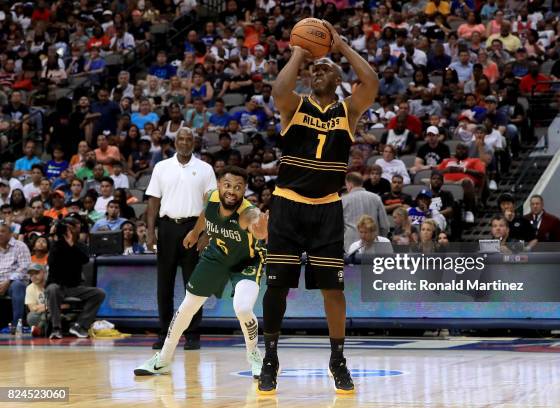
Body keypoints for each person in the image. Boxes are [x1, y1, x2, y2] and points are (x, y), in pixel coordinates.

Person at [258, 20, 378, 395]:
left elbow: (371, 82)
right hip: (288, 206)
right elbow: (279, 90)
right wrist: (299, 50)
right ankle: (270, 356)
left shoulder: (348, 111)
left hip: (327, 209)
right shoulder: (294, 106)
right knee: (277, 288)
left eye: (325, 68)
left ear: (339, 78)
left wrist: (340, 48)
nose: (318, 72)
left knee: (333, 291)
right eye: (315, 70)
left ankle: (337, 358)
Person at [134, 166, 268, 377]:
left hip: (246, 262)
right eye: (227, 185)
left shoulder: (248, 212)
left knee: (242, 308)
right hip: (216, 256)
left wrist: (261, 230)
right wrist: (195, 233)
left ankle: (254, 355)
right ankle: (163, 359)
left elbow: (258, 228)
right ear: (219, 186)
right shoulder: (213, 197)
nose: (232, 191)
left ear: (245, 190)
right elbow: (205, 214)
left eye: (238, 187)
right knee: (188, 306)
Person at [145, 128, 217, 350]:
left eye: (189, 139)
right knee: (163, 284)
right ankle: (165, 332)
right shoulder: (161, 167)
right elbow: (153, 203)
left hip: (193, 227)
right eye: (181, 139)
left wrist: (205, 233)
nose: (185, 142)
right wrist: (150, 231)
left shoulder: (205, 169)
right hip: (167, 228)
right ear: (175, 141)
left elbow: (211, 204)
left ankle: (193, 333)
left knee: (194, 285)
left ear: (194, 143)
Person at [46, 218, 106, 339]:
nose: (68, 231)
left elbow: (85, 259)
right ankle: (56, 328)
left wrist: (72, 245)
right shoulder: (56, 245)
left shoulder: (80, 246)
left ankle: (80, 325)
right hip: (57, 286)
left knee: (99, 293)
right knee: (52, 289)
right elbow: (51, 262)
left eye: (71, 227)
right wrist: (55, 238)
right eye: (66, 228)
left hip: (74, 287)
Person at [342, 172, 390, 253]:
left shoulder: (343, 200)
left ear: (349, 184)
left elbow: (337, 227)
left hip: (350, 246)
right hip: (374, 245)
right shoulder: (376, 198)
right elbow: (384, 225)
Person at [0, 223, 30, 327]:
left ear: (10, 234)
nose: (0, 234)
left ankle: (17, 324)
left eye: (2, 231)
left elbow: (24, 268)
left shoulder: (20, 246)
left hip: (14, 283)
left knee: (17, 286)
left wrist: (8, 282)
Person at [25, 263, 47, 335]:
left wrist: (42, 307)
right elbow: (32, 309)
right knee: (31, 316)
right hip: (41, 314)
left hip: (55, 313)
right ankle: (43, 329)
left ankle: (41, 329)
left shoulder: (52, 284)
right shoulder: (30, 288)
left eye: (37, 273)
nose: (34, 277)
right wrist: (49, 306)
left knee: (48, 316)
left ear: (44, 272)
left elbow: (64, 305)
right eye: (31, 275)